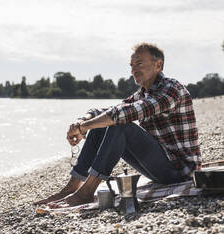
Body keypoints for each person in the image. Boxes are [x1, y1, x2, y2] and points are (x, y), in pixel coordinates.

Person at [34, 42, 201, 208]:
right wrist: (82, 121)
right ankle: (72, 187)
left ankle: (86, 193)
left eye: (139, 63)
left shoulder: (172, 89)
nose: (133, 70)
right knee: (104, 125)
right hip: (158, 168)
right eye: (132, 65)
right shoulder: (143, 93)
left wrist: (84, 128)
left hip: (179, 171)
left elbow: (124, 114)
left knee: (121, 125)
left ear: (158, 65)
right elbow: (111, 110)